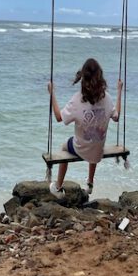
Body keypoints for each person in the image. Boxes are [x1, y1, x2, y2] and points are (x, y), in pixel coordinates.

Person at [47, 58, 123, 199]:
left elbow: (58, 117)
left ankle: (58, 186)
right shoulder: (107, 98)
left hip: (80, 148)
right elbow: (117, 117)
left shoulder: (78, 99)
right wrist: (119, 91)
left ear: (83, 78)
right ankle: (90, 182)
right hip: (97, 151)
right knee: (94, 140)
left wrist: (52, 93)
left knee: (65, 147)